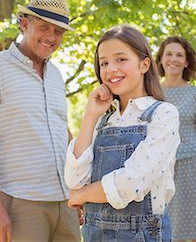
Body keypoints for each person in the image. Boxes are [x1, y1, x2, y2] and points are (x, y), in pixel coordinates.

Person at [0, 0, 80, 242]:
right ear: (24, 24)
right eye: (44, 27)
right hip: (19, 204)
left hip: (66, 202)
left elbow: (63, 132)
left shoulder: (57, 75)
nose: (51, 37)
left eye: (58, 31)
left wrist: (78, 189)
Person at [64, 24, 180, 241]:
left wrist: (82, 195)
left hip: (142, 234)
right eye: (104, 63)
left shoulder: (163, 114)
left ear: (144, 64)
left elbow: (133, 181)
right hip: (94, 234)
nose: (110, 69)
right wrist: (90, 115)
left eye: (121, 59)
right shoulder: (103, 120)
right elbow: (74, 179)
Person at [155, 36, 196, 242]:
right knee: (170, 235)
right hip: (163, 173)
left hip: (194, 171)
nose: (174, 59)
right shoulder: (152, 94)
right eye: (169, 54)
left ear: (187, 61)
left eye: (179, 55)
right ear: (161, 59)